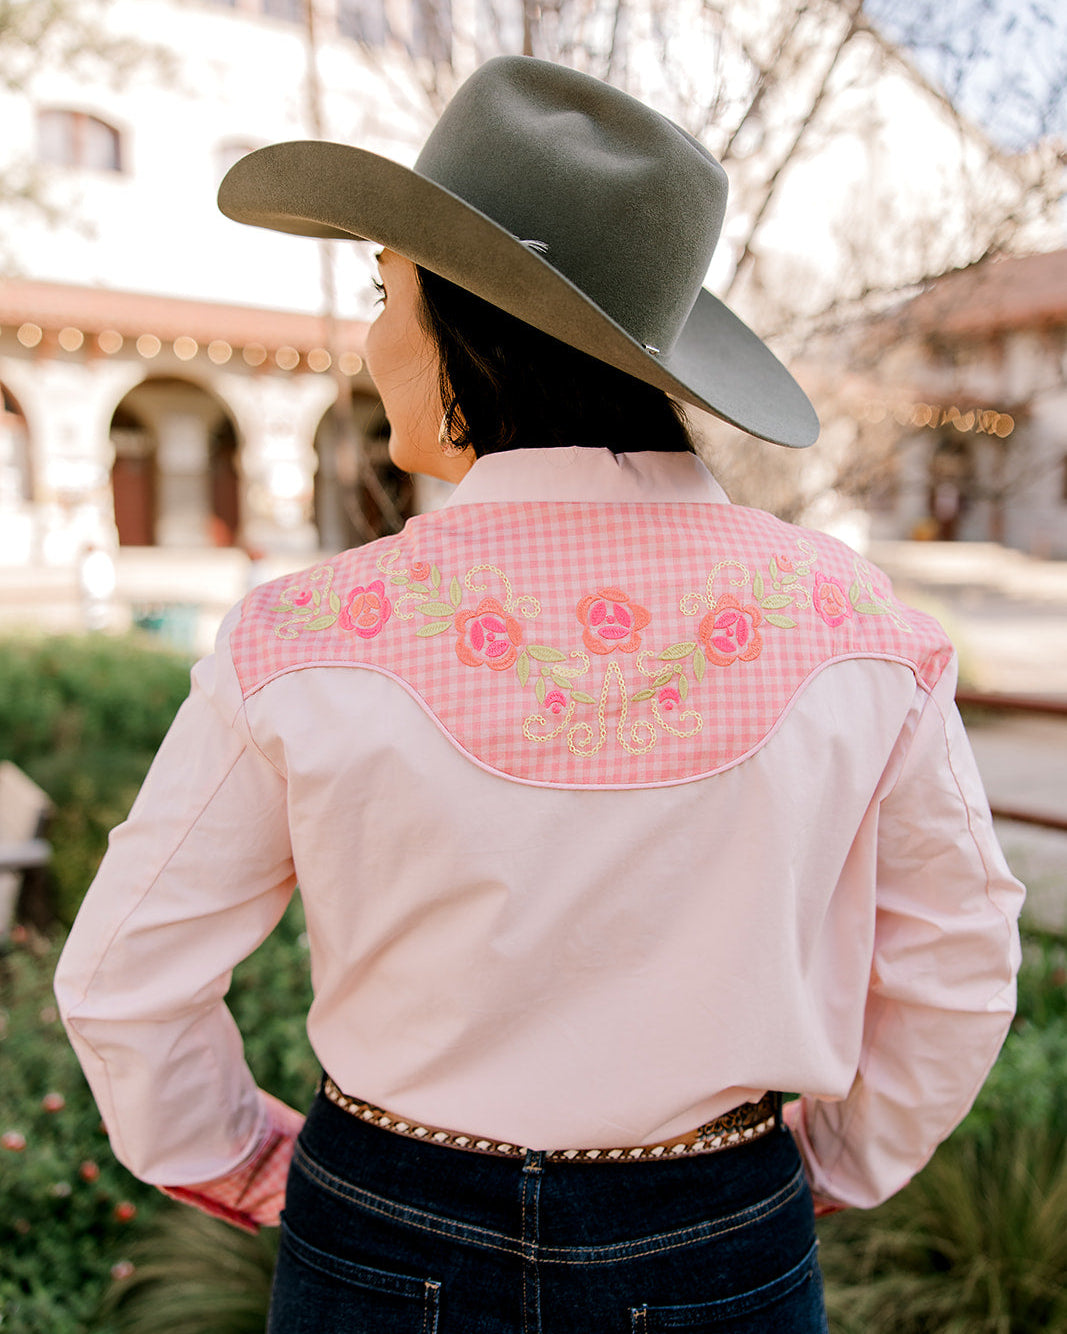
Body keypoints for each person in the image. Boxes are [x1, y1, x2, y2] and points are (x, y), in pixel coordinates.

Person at [55, 56, 1023, 1332]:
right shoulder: (857, 630)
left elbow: (124, 971)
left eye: (386, 290)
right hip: (716, 1221)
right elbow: (956, 961)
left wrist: (224, 1147)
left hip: (380, 1224)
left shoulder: (302, 635)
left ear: (463, 323)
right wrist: (838, 1160)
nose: (371, 335)